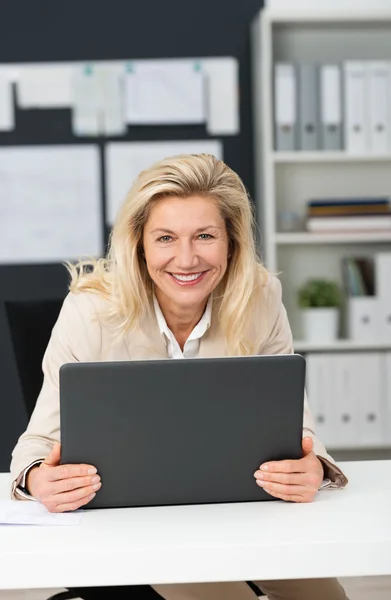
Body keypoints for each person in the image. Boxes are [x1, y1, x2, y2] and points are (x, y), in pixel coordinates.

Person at [10, 154, 349, 600]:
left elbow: (296, 429)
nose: (186, 259)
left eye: (205, 236)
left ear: (231, 242)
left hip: (238, 511)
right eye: (165, 237)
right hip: (134, 523)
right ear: (140, 244)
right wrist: (38, 477)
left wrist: (312, 467)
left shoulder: (261, 298)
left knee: (326, 596)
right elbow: (35, 444)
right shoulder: (90, 312)